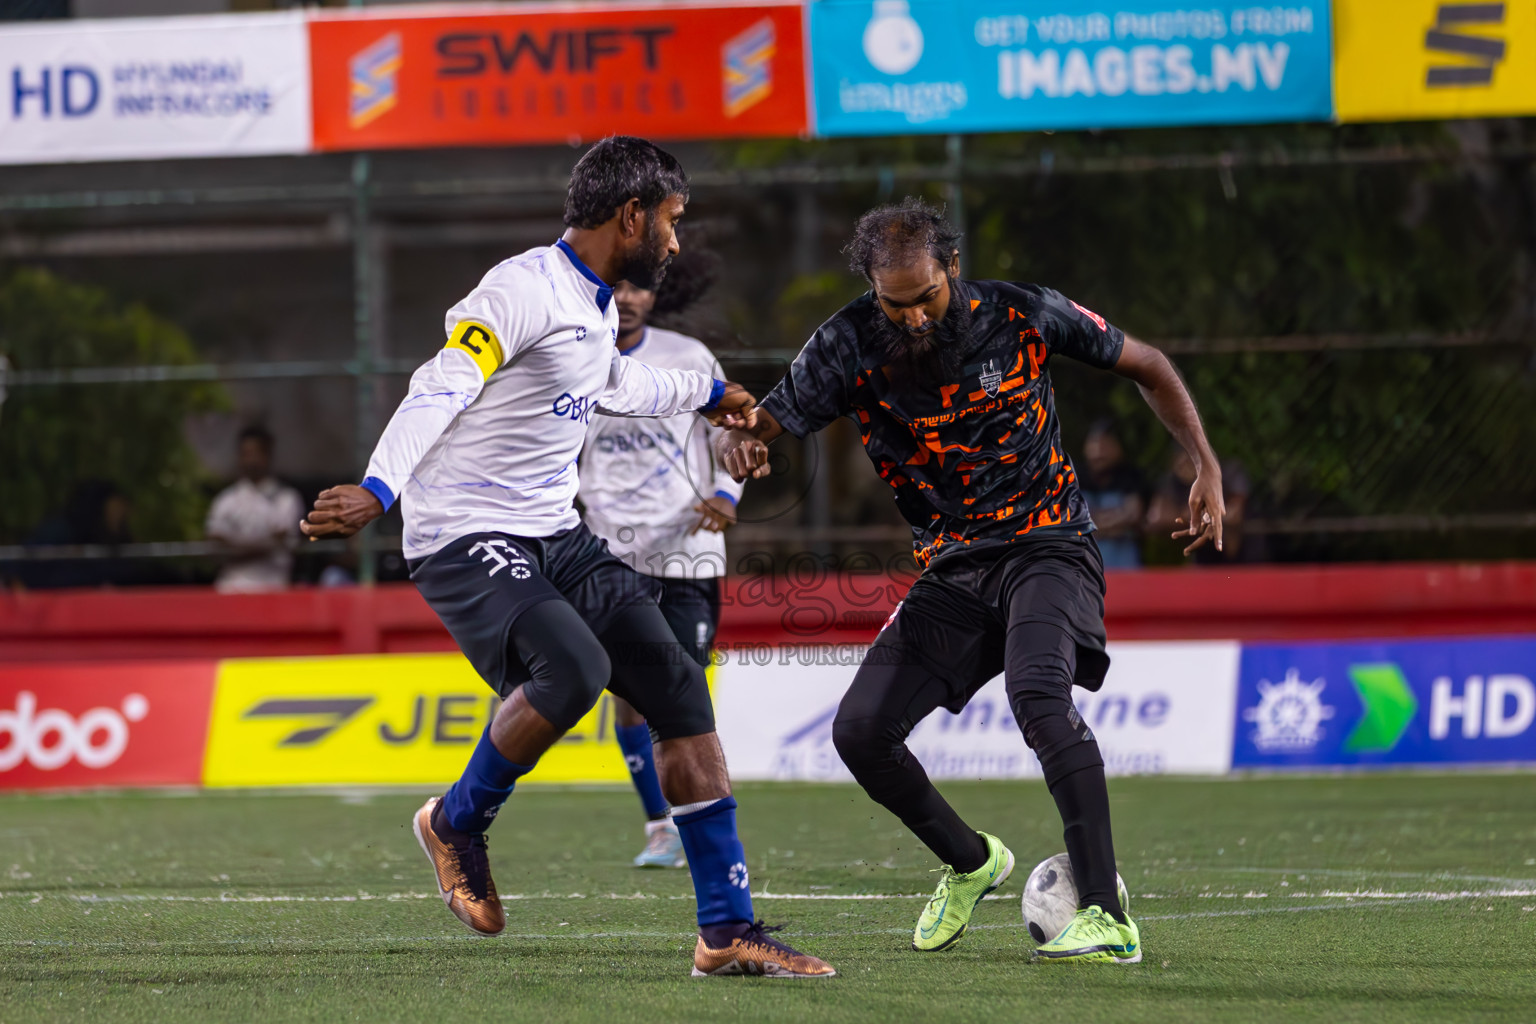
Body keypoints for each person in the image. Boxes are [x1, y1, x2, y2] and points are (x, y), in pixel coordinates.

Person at [299, 136, 833, 980]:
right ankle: (456, 824)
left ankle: (726, 931)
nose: (675, 239)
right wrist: (379, 486)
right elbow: (443, 383)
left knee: (677, 689)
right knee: (574, 670)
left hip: (554, 534)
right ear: (631, 216)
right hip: (465, 535)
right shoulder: (520, 289)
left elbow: (615, 389)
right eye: (670, 220)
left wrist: (711, 393)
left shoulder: (591, 308)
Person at [718, 198, 1224, 964]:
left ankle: (1105, 911)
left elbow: (1148, 364)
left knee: (1039, 700)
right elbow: (769, 424)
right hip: (953, 570)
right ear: (872, 289)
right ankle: (969, 862)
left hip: (1049, 547)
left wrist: (1205, 466)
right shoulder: (848, 343)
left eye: (928, 296)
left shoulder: (1023, 313)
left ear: (951, 268)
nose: (916, 318)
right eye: (898, 304)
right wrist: (745, 446)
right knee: (860, 733)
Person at [578, 247, 741, 870]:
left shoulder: (687, 358)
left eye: (638, 289)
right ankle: (661, 827)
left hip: (688, 552)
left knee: (684, 692)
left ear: (653, 297)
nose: (626, 298)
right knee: (630, 697)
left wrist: (726, 493)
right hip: (609, 553)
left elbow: (729, 428)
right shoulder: (576, 358)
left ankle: (700, 813)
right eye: (617, 287)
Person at [205, 426, 304, 593]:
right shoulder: (226, 500)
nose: (250, 460)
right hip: (230, 589)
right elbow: (216, 546)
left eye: (255, 453)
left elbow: (280, 542)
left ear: (268, 455)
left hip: (273, 590)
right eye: (245, 454)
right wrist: (264, 544)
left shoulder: (287, 499)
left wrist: (235, 546)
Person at [1076, 419, 1145, 569]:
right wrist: (1116, 524)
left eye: (1105, 444)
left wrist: (1092, 526)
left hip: (1124, 566)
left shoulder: (1130, 476)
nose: (1099, 451)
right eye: (1094, 444)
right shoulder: (1074, 476)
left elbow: (1133, 515)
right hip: (1083, 568)